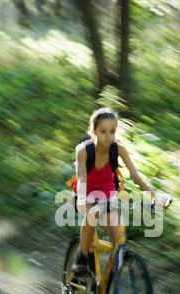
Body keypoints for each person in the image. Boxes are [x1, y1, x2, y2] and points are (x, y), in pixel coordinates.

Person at [72, 107, 168, 275]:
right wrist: (83, 201)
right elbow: (81, 178)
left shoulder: (119, 150)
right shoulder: (83, 150)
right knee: (92, 214)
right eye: (103, 131)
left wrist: (155, 198)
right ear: (93, 131)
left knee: (118, 241)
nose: (108, 136)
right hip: (83, 195)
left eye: (112, 131)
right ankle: (81, 258)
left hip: (107, 198)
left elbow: (136, 178)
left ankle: (112, 288)